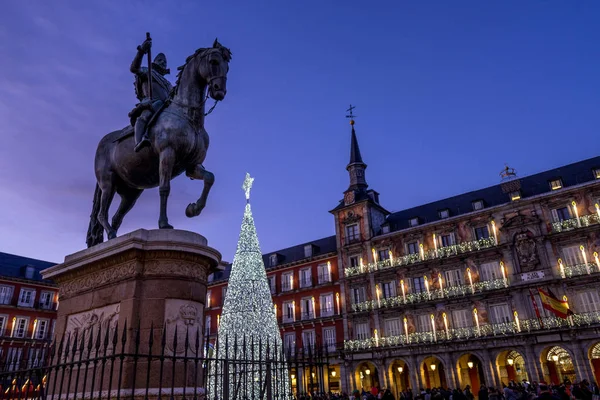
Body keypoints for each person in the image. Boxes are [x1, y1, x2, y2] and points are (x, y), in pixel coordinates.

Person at [129, 36, 173, 152]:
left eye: (165, 62)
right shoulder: (147, 71)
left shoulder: (169, 84)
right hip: (151, 103)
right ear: (154, 62)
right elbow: (134, 68)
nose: (163, 63)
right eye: (160, 60)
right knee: (146, 114)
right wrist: (142, 51)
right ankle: (139, 141)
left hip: (168, 108)